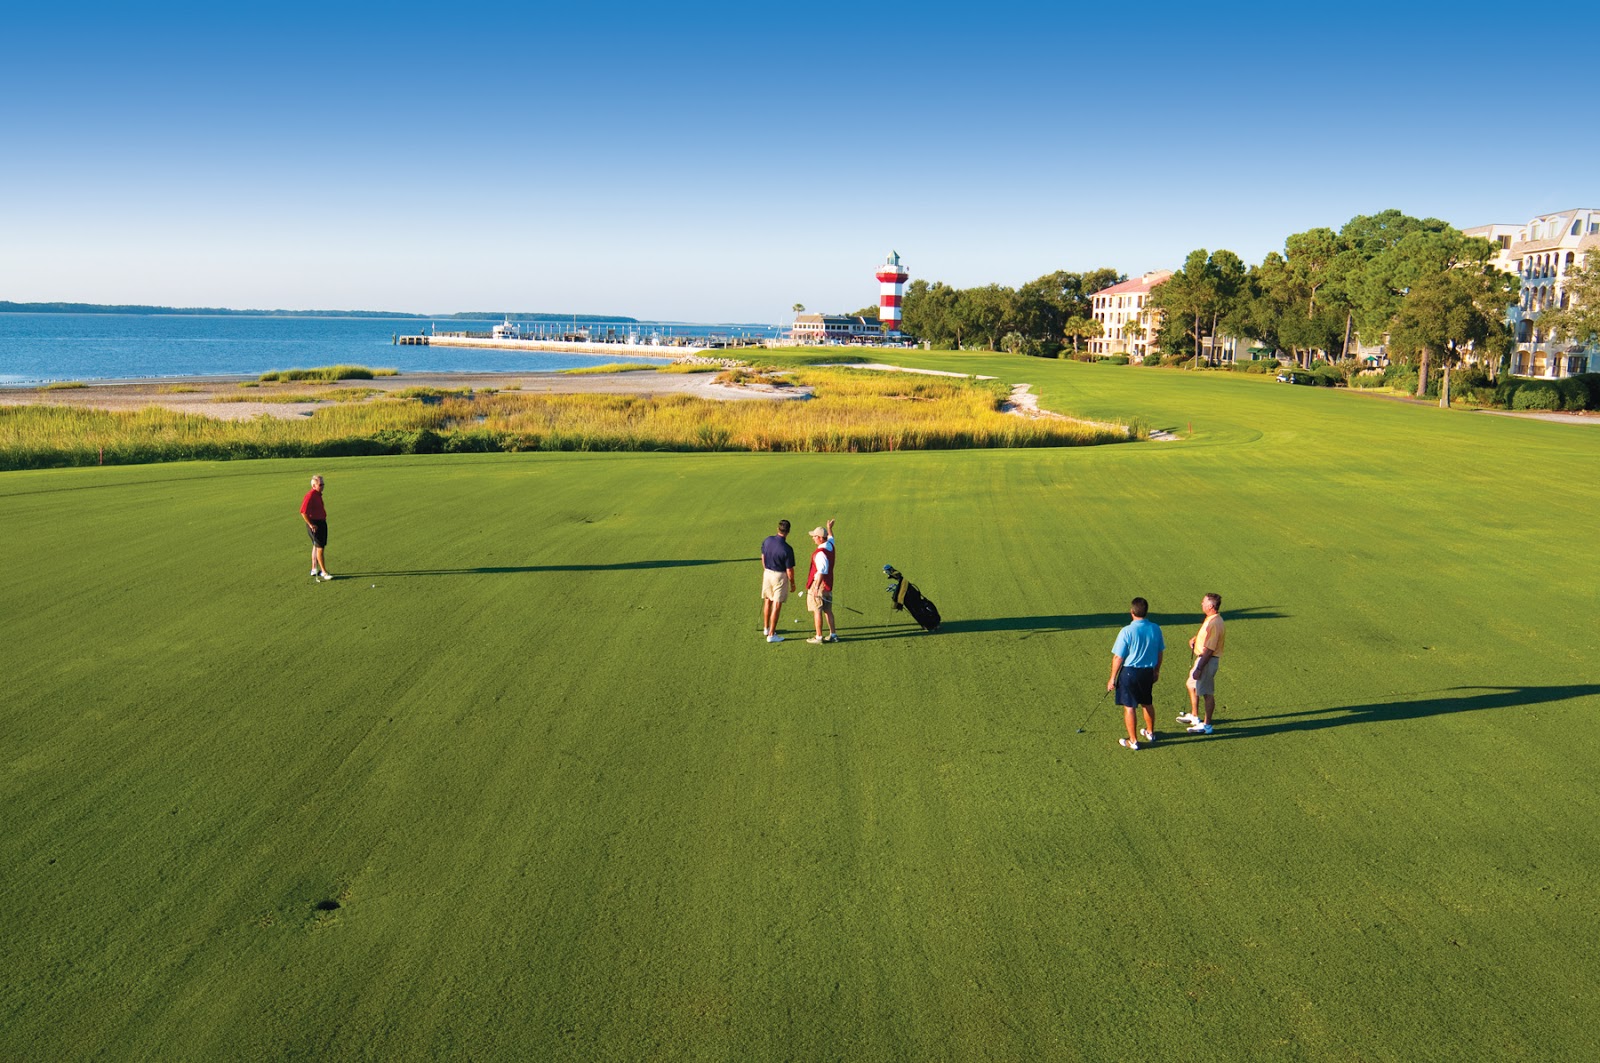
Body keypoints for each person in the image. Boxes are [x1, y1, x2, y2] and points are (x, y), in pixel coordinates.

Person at [1108, 597, 1164, 750]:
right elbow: (1160, 652)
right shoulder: (1155, 628)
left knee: (1129, 706)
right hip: (1147, 673)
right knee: (1147, 703)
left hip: (1130, 673)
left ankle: (1133, 740)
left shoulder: (1126, 631)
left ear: (1132, 612)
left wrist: (1112, 678)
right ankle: (1150, 732)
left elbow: (1118, 657)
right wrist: (1157, 670)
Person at [1180, 592, 1225, 735]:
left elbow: (1210, 648)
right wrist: (1195, 639)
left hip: (1207, 661)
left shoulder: (1214, 623)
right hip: (1203, 658)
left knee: (1206, 693)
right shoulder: (1210, 619)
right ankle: (1194, 716)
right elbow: (1206, 637)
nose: (1201, 604)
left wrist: (1199, 667)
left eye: (1204, 602)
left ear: (1211, 606)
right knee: (1191, 685)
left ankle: (1207, 725)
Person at [760, 519, 796, 643]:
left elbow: (763, 557)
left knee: (767, 600)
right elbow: (789, 570)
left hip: (767, 573)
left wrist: (766, 569)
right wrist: (792, 583)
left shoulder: (767, 540)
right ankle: (771, 635)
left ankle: (766, 628)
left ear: (778, 529)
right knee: (777, 604)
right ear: (788, 532)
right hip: (779, 576)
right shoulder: (787, 549)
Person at [804, 519, 838, 644]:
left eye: (814, 536)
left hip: (820, 584)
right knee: (828, 610)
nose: (813, 538)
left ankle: (819, 637)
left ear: (819, 538)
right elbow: (831, 537)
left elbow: (822, 572)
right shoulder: (829, 545)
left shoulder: (820, 553)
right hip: (829, 584)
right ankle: (833, 634)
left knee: (817, 610)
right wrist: (829, 528)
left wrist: (816, 588)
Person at [300, 474, 332, 581]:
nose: (322, 486)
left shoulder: (318, 494)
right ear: (314, 485)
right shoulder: (310, 496)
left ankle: (314, 569)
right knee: (320, 548)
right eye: (320, 484)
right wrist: (311, 524)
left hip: (321, 523)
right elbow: (303, 512)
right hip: (315, 524)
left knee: (316, 546)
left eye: (323, 484)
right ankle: (324, 572)